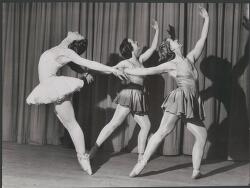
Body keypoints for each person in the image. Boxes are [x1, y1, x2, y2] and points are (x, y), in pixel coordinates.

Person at [124, 6, 209, 179]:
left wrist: (206, 19)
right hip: (179, 98)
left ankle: (196, 170)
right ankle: (141, 164)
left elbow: (202, 39)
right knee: (162, 132)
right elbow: (147, 71)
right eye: (174, 41)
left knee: (202, 135)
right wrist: (127, 71)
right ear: (171, 48)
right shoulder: (171, 64)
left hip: (190, 101)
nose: (177, 41)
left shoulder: (191, 57)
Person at [26, 31, 127, 175]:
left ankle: (83, 157)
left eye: (78, 35)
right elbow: (73, 65)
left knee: (72, 125)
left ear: (75, 43)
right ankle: (83, 156)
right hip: (49, 87)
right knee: (68, 124)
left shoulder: (67, 52)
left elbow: (89, 63)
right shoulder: (63, 45)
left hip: (55, 87)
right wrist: (84, 73)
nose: (77, 32)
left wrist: (112, 70)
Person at [88, 20, 159, 165]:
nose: (137, 41)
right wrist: (91, 73)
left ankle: (140, 158)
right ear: (130, 48)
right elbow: (109, 69)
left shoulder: (140, 60)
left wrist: (157, 30)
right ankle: (93, 151)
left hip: (139, 96)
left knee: (146, 125)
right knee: (114, 124)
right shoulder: (125, 63)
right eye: (133, 41)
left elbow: (152, 48)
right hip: (128, 95)